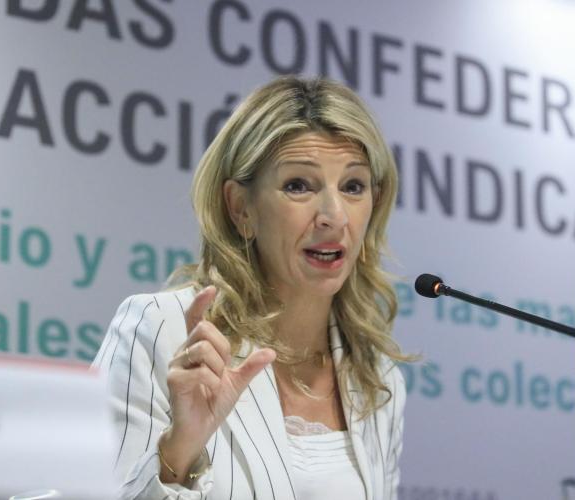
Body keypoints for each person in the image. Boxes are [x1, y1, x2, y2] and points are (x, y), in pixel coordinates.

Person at [92, 76, 411, 500]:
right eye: (298, 185)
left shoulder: (377, 379)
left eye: (353, 187)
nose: (334, 216)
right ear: (241, 207)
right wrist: (179, 449)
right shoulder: (162, 330)